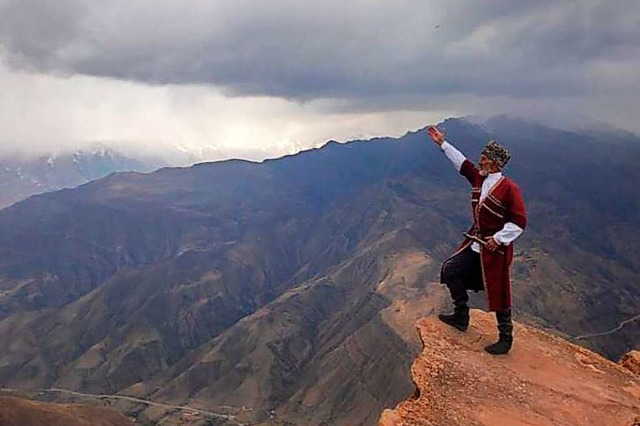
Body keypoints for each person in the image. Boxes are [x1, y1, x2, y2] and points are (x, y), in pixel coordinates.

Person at [425, 125, 527, 355]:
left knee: (499, 290)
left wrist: (499, 239)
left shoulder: (510, 189)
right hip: (476, 243)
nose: (479, 161)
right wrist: (442, 143)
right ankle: (461, 316)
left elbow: (519, 221)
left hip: (495, 249)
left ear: (493, 163)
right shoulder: (479, 179)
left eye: (484, 158)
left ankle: (505, 337)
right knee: (451, 270)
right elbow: (462, 164)